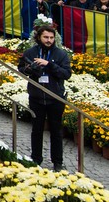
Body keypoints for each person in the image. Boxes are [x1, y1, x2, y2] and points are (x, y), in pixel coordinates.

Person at [20, 21, 72, 169]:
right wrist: (30, 69)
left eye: (51, 37)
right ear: (39, 38)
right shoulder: (31, 52)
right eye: (46, 37)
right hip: (36, 97)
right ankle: (36, 158)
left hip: (55, 97)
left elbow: (66, 74)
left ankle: (57, 162)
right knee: (36, 130)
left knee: (56, 131)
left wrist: (48, 65)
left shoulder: (61, 54)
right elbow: (21, 68)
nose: (49, 40)